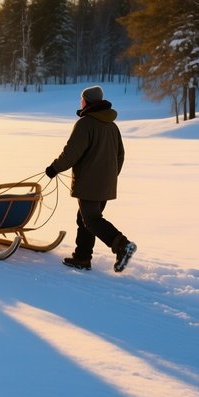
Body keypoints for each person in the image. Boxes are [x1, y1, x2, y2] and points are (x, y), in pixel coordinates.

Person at [45, 85, 137, 272]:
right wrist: (110, 176)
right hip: (106, 182)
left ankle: (122, 245)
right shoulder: (111, 125)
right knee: (85, 219)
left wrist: (54, 168)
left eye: (82, 99)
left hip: (89, 182)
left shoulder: (85, 124)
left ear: (86, 101)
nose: (81, 102)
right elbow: (120, 155)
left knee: (91, 220)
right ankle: (82, 258)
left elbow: (71, 153)